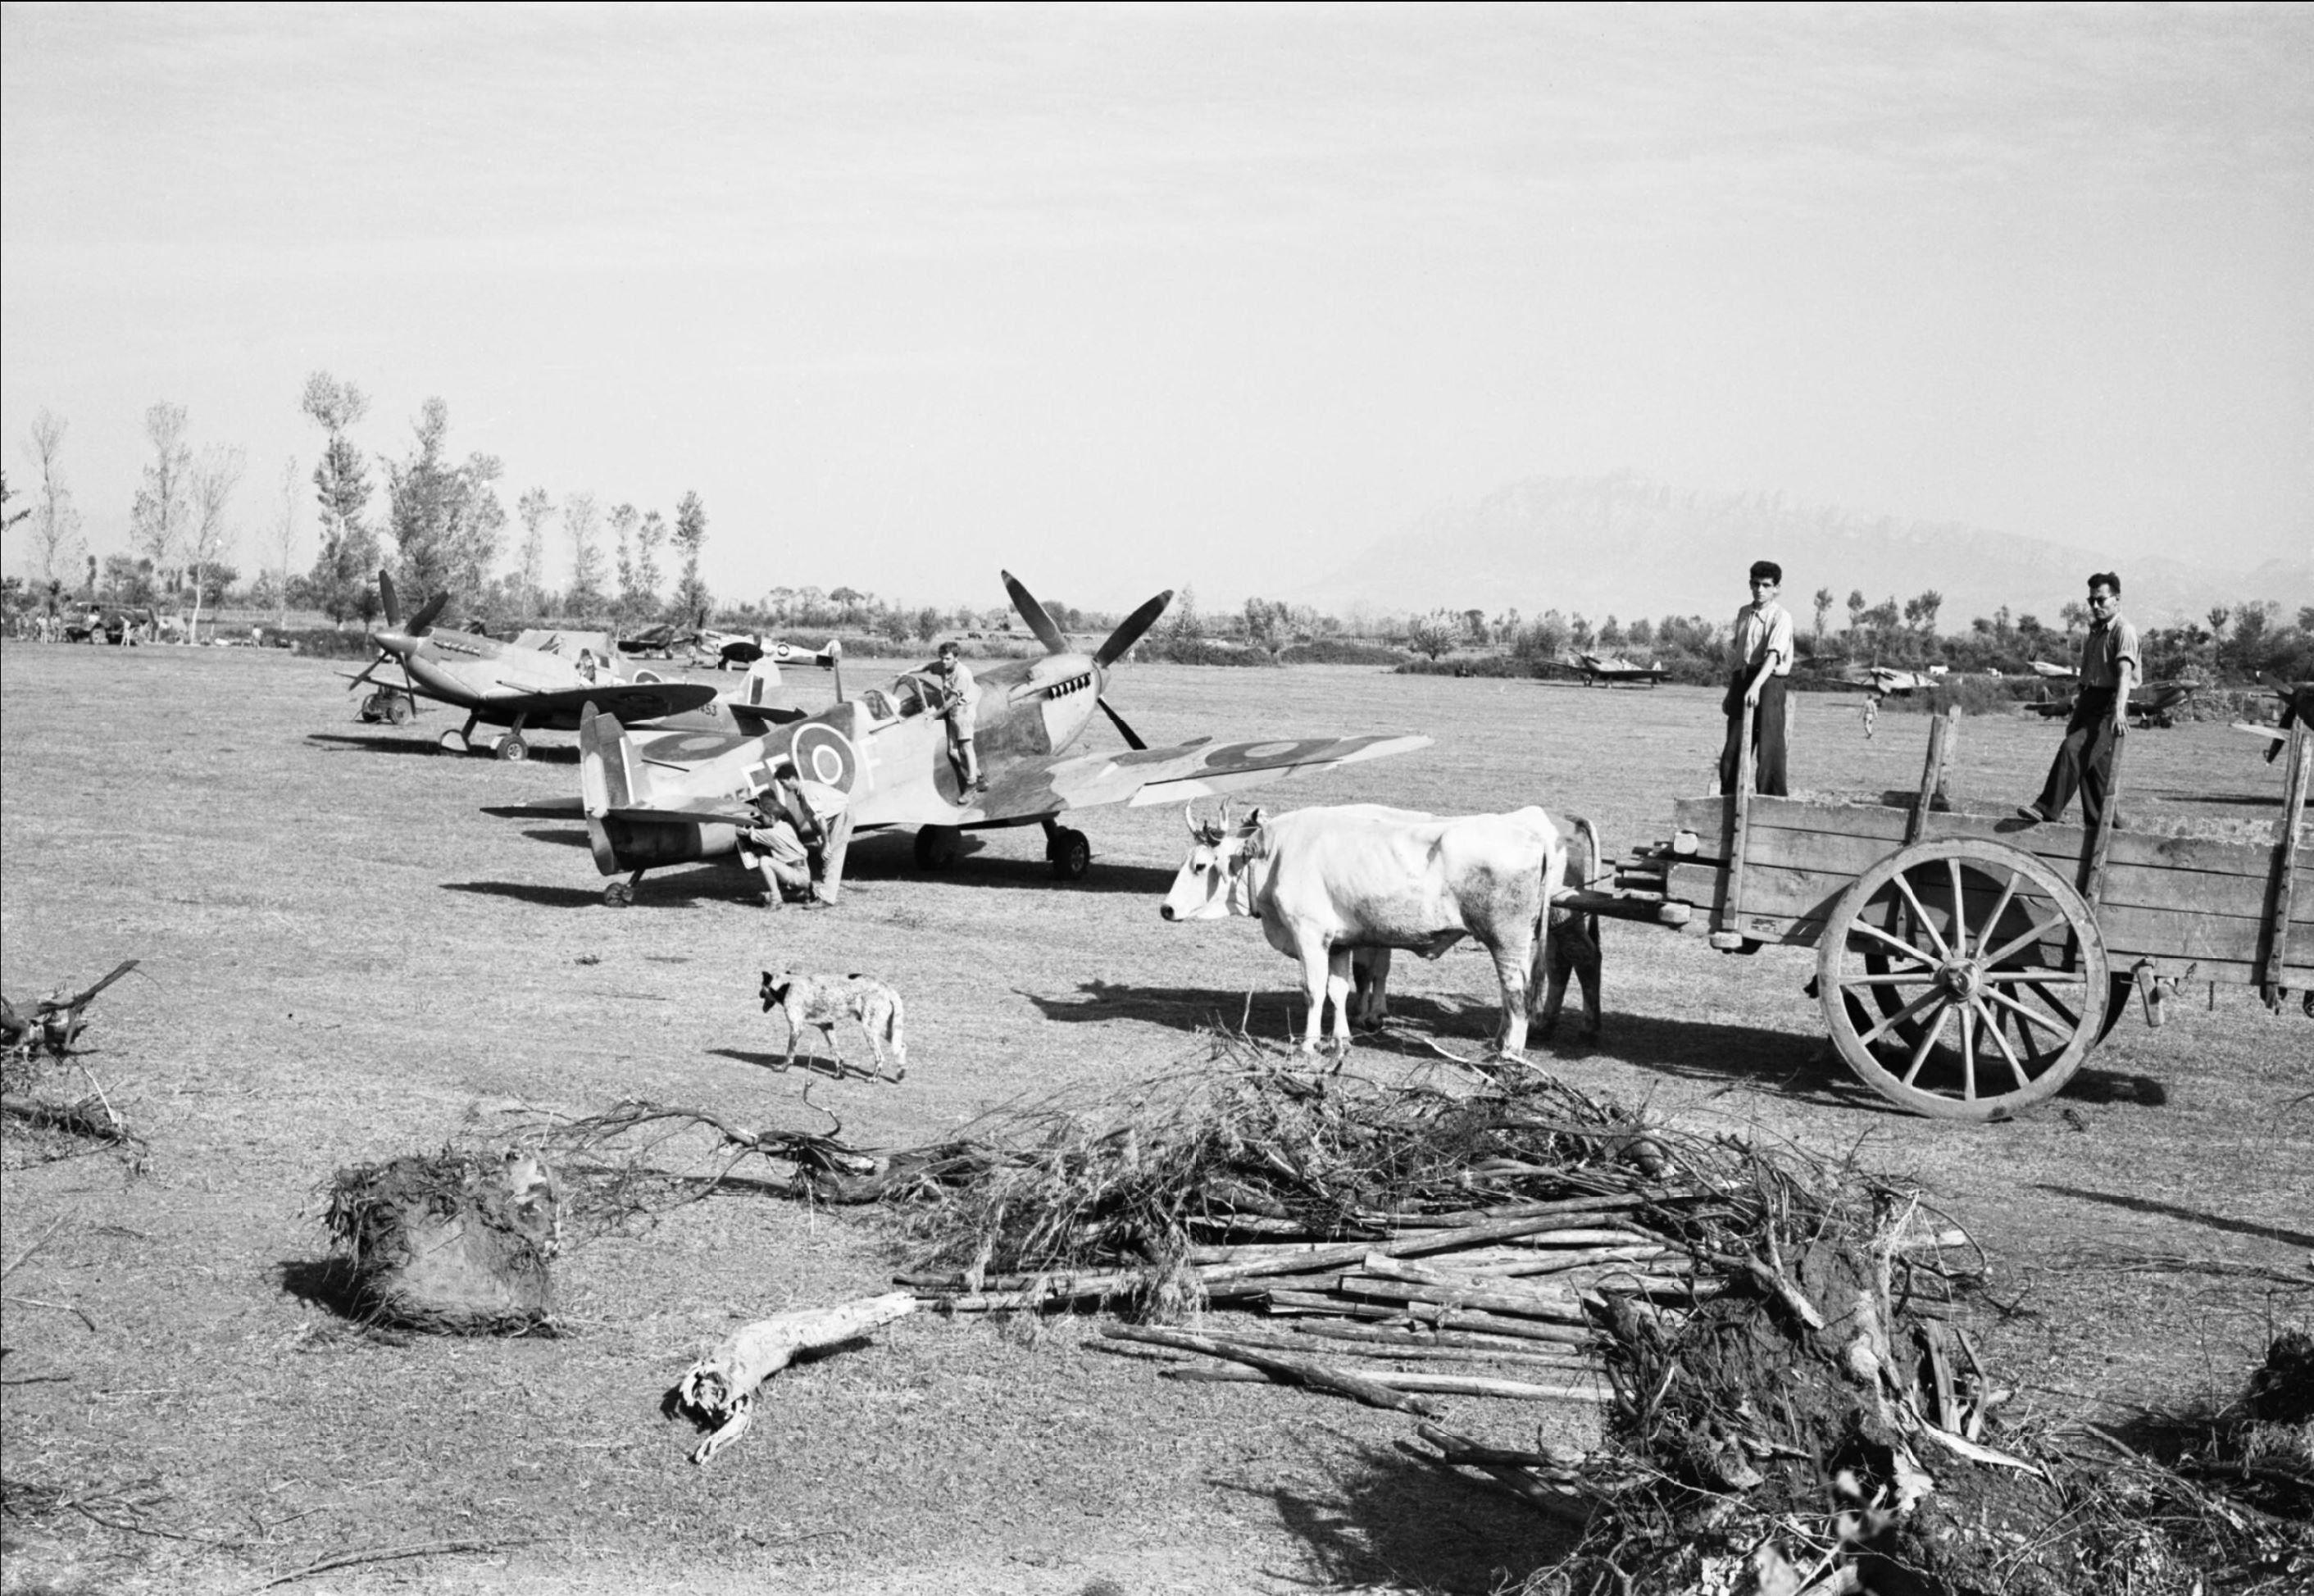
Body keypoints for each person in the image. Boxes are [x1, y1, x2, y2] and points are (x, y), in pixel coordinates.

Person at [2019, 572, 2137, 828]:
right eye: (2091, 600)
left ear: (2116, 600)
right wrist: (2078, 711)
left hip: (2109, 704)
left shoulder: (2123, 631)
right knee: (2095, 776)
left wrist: (2118, 713)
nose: (2095, 606)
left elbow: (2125, 674)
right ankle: (2108, 832)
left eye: (2101, 600)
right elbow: (2087, 679)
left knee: (2072, 750)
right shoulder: (2095, 633)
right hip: (2089, 701)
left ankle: (2047, 809)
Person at [1720, 560, 1793, 798]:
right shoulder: (1743, 613)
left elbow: (1773, 656)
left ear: (1777, 588)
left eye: (1766, 585)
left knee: (1770, 748)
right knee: (1732, 750)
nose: (1759, 590)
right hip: (1743, 679)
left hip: (1768, 682)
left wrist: (1756, 686)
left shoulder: (1781, 617)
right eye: (1755, 584)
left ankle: (1772, 806)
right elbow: (1740, 655)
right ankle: (1727, 802)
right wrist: (1733, 691)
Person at [738, 775, 819, 908]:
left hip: (796, 874)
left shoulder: (772, 834)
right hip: (803, 872)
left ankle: (776, 899)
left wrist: (740, 825)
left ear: (771, 817)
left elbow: (744, 833)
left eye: (762, 816)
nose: (761, 819)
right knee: (762, 896)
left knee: (764, 861)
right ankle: (803, 894)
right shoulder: (785, 825)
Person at [930, 640, 988, 798]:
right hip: (953, 714)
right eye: (942, 658)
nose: (943, 662)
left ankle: (972, 784)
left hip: (963, 713)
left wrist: (933, 716)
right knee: (953, 752)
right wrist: (908, 671)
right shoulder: (945, 666)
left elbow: (951, 701)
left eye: (947, 658)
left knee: (966, 749)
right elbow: (927, 667)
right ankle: (979, 776)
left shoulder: (962, 674)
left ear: (956, 657)